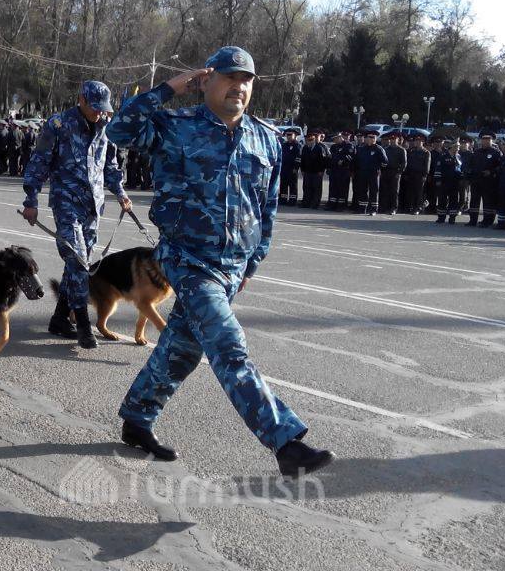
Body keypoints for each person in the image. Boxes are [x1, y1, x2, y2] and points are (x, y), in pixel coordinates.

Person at [106, 46, 333, 478]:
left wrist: (253, 262)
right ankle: (285, 443)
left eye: (246, 80)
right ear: (207, 80)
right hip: (187, 259)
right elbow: (119, 130)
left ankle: (137, 417)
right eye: (229, 77)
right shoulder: (176, 126)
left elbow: (267, 207)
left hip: (233, 266)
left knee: (181, 350)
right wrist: (169, 88)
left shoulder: (265, 138)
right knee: (228, 345)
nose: (238, 86)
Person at [22, 81, 131, 349]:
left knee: (78, 264)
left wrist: (120, 192)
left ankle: (60, 318)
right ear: (81, 99)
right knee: (79, 261)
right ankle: (83, 324)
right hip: (66, 202)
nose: (98, 113)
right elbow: (39, 162)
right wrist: (31, 199)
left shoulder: (105, 127)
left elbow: (109, 165)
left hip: (93, 206)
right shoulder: (58, 125)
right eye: (94, 107)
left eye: (102, 108)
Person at [466, 132, 502, 227]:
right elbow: (471, 165)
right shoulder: (476, 152)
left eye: (488, 140)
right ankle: (473, 220)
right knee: (474, 201)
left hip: (489, 181)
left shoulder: (496, 153)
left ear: (491, 141)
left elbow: (500, 167)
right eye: (484, 139)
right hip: (476, 180)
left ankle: (487, 221)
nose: (485, 141)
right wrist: (470, 174)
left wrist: (491, 172)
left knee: (488, 202)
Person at [352, 130, 387, 215]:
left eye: (373, 137)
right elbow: (357, 160)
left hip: (373, 173)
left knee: (373, 191)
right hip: (363, 173)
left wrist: (379, 169)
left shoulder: (379, 149)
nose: (372, 139)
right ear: (366, 138)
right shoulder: (362, 149)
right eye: (370, 137)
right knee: (363, 190)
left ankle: (373, 209)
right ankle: (362, 208)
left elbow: (385, 162)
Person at [402, 135, 431, 214]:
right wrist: (406, 173)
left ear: (423, 142)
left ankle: (418, 208)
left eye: (420, 141)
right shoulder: (411, 151)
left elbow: (427, 165)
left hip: (420, 175)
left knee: (419, 192)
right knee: (410, 192)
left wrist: (425, 175)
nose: (418, 142)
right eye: (416, 141)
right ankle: (410, 207)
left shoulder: (426, 152)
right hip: (411, 174)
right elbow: (407, 163)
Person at [378, 133, 406, 215]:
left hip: (395, 172)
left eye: (394, 139)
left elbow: (404, 163)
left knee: (394, 191)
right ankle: (384, 207)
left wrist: (400, 172)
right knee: (384, 190)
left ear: (397, 140)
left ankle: (394, 208)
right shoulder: (386, 149)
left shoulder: (401, 150)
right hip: (385, 171)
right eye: (391, 139)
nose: (392, 141)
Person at [300, 130, 328, 209]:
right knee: (306, 188)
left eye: (311, 140)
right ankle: (306, 203)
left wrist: (321, 171)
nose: (309, 142)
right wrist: (302, 170)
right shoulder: (305, 148)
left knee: (316, 189)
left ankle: (315, 204)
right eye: (308, 140)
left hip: (317, 172)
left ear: (314, 140)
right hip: (307, 171)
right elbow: (302, 160)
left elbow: (323, 161)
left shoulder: (319, 148)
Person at [326, 132, 354, 211]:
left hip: (343, 170)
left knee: (342, 189)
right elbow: (330, 157)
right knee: (333, 188)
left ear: (340, 137)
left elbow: (351, 156)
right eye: (334, 139)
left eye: (336, 138)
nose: (334, 140)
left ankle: (341, 205)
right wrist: (329, 167)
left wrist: (343, 161)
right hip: (334, 170)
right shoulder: (333, 147)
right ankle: (332, 204)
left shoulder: (348, 146)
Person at [279, 128, 302, 206]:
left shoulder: (297, 145)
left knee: (292, 185)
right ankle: (283, 199)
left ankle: (292, 200)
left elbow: (298, 158)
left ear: (295, 135)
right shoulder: (284, 145)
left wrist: (296, 168)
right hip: (284, 168)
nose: (288, 136)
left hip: (292, 168)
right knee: (283, 184)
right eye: (287, 135)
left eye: (290, 135)